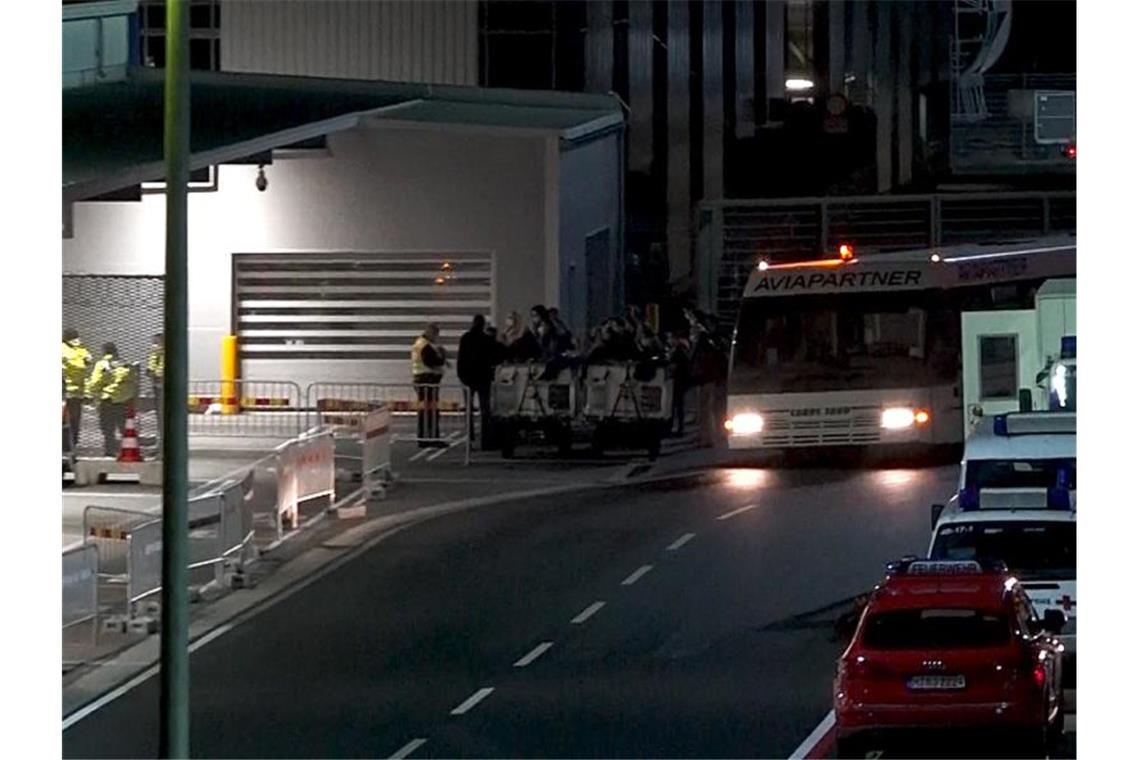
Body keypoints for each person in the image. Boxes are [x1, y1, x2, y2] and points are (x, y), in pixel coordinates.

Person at [85, 343, 138, 457]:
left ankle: (110, 451)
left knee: (108, 428)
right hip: (125, 400)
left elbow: (95, 382)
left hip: (108, 400)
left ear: (104, 351)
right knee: (124, 427)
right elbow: (133, 382)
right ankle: (128, 451)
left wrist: (94, 394)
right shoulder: (126, 364)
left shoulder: (102, 364)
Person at [458, 315, 495, 449]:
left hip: (468, 378)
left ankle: (469, 439)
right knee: (485, 410)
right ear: (483, 325)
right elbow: (493, 357)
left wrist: (461, 376)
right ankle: (486, 441)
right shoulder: (486, 339)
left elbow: (460, 359)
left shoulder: (465, 338)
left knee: (468, 411)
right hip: (483, 378)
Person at [411, 324, 448, 447]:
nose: (436, 337)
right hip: (428, 382)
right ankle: (432, 438)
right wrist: (442, 357)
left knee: (424, 411)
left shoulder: (419, 343)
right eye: (436, 334)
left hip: (421, 381)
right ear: (431, 332)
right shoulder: (425, 346)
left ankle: (423, 438)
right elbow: (432, 362)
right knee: (431, 411)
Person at [61, 328, 92, 450]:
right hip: (64, 390)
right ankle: (64, 446)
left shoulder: (80, 349)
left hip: (77, 392)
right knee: (64, 420)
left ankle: (72, 444)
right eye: (73, 338)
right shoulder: (62, 349)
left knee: (75, 420)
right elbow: (77, 365)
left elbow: (88, 359)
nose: (76, 340)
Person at [146, 333, 164, 457]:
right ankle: (160, 446)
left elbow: (160, 371)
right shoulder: (155, 354)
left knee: (162, 418)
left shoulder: (163, 354)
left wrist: (155, 374)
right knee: (159, 418)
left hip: (162, 388)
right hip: (157, 387)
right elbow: (152, 368)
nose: (154, 345)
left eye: (156, 343)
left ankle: (161, 448)